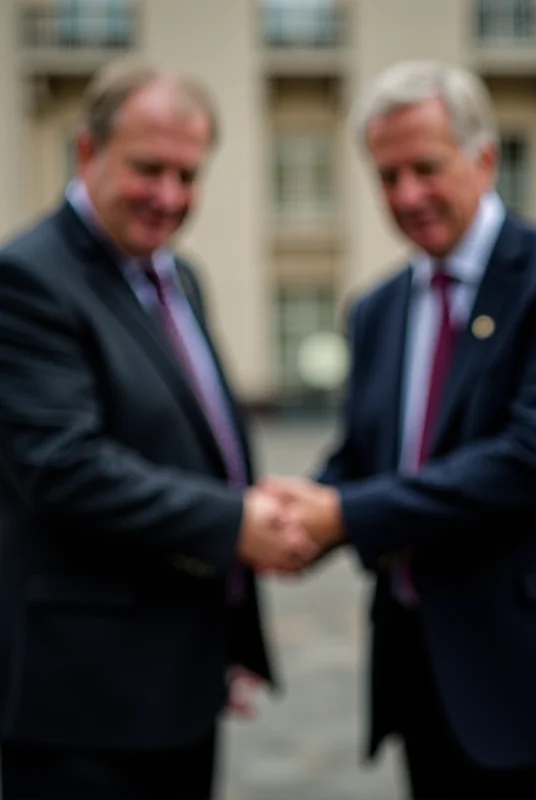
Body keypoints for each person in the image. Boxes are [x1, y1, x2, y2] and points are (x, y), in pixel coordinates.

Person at [262, 60, 536, 798]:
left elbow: (532, 460)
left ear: (483, 157)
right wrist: (290, 513)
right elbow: (364, 455)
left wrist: (344, 516)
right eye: (386, 176)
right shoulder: (377, 307)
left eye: (425, 167)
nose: (407, 195)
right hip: (423, 680)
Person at [0, 60, 314, 799]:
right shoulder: (29, 277)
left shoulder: (179, 274)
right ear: (87, 152)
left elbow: (196, 442)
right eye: (148, 169)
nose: (168, 196)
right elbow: (63, 466)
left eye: (187, 173)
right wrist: (237, 522)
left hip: (176, 681)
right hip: (82, 704)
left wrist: (230, 636)